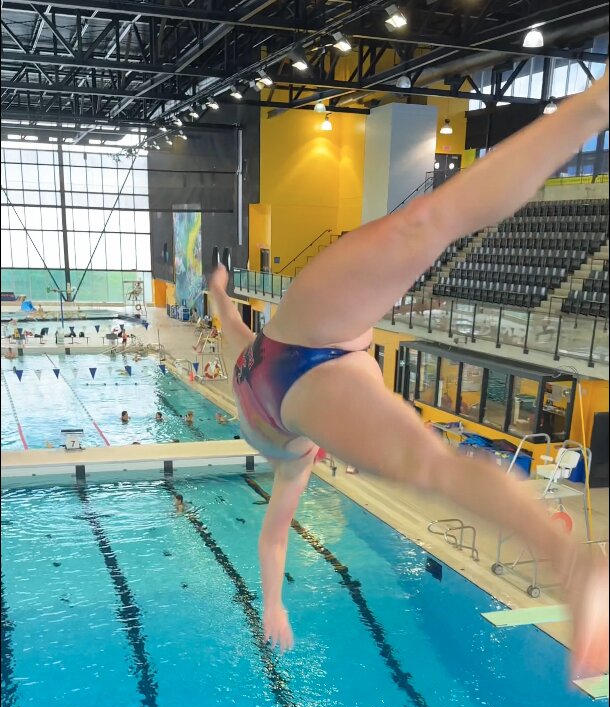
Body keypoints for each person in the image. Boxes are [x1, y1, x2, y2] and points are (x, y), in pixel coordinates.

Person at [208, 71, 609, 676]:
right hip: (314, 369)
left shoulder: (269, 421)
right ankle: (573, 567)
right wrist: (271, 603)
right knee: (430, 461)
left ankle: (595, 103)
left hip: (302, 346)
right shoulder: (285, 449)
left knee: (426, 221)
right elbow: (273, 537)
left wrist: (219, 291)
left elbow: (230, 324)